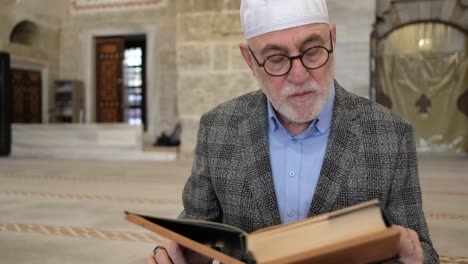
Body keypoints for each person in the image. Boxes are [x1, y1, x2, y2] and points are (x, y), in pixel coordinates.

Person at [147, 0, 439, 263]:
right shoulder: (219, 127)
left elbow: (423, 247)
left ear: (332, 39)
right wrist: (176, 253)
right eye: (276, 59)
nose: (299, 75)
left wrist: (413, 256)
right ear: (250, 60)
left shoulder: (390, 134)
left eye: (312, 51)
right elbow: (199, 224)